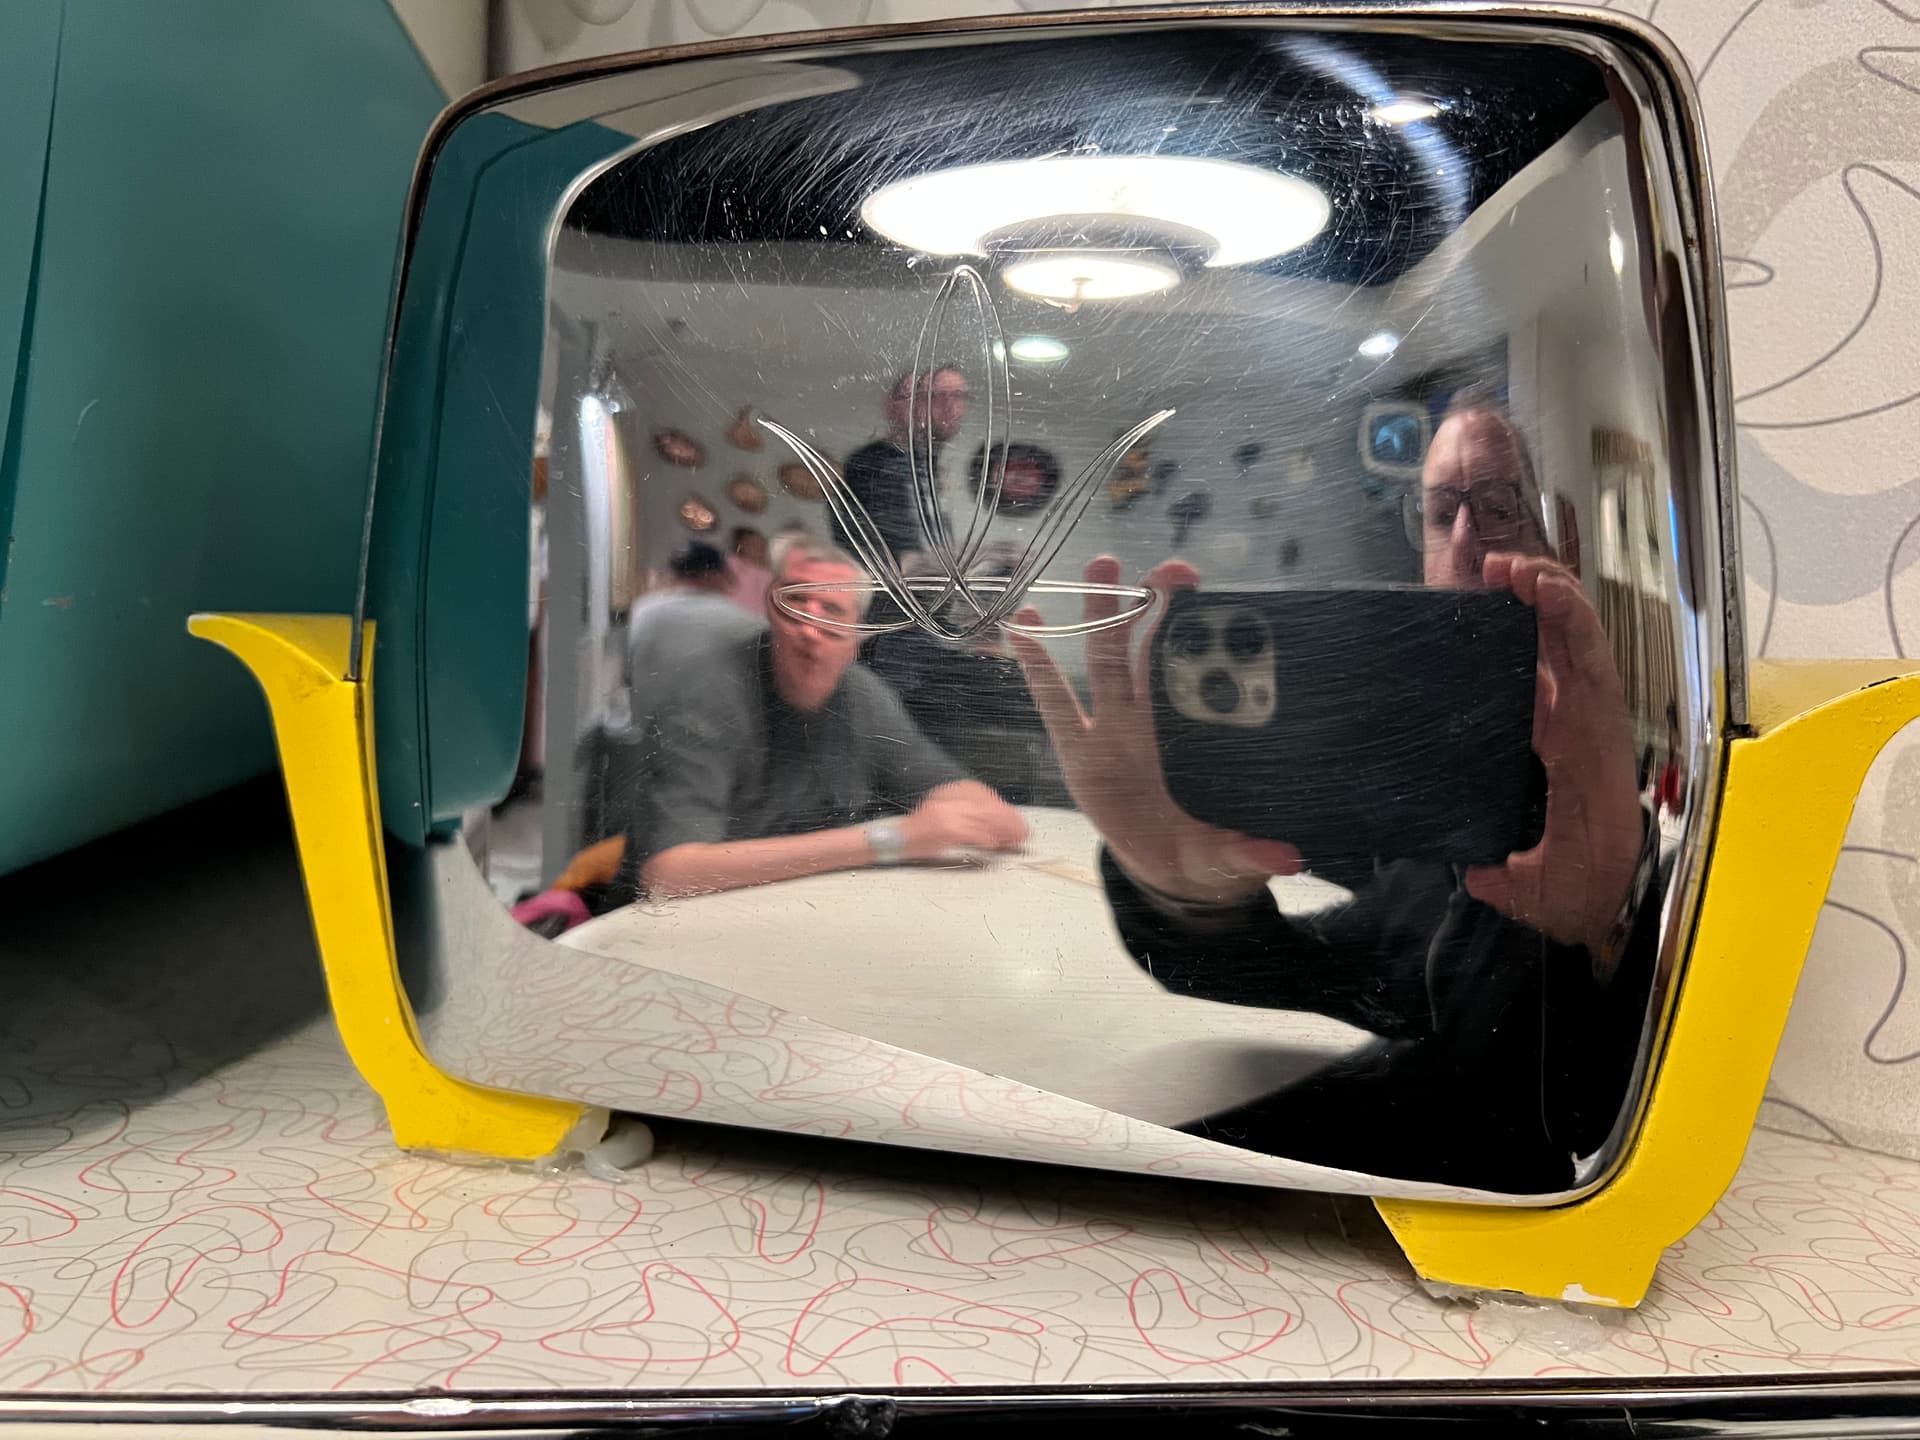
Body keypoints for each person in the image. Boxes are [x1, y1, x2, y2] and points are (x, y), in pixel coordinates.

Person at [1007, 407, 1657, 1194]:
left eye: (1499, 506)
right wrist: (1185, 899)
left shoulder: (1626, 812)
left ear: (1568, 545)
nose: (1464, 543)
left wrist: (1614, 938)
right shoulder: (1416, 785)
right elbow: (1315, 970)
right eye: (1440, 513)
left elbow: (1583, 1127)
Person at [576, 538, 1027, 906]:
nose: (810, 625)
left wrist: (977, 812)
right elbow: (669, 873)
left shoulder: (861, 693)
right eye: (796, 601)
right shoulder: (709, 691)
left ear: (855, 637)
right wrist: (889, 840)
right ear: (770, 614)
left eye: (832, 611)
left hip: (788, 909)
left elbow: (947, 785)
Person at [835, 367, 971, 563]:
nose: (922, 407)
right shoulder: (870, 466)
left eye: (958, 396)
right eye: (918, 396)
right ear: (890, 405)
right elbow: (864, 548)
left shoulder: (926, 465)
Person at [624, 539, 761, 696]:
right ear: (713, 575)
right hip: (715, 710)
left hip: (651, 709)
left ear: (672, 574)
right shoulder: (739, 620)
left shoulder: (642, 609)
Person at [727, 525, 772, 618]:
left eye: (762, 543)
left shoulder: (769, 572)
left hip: (761, 621)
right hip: (734, 617)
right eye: (753, 544)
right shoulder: (732, 564)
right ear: (741, 546)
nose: (759, 547)